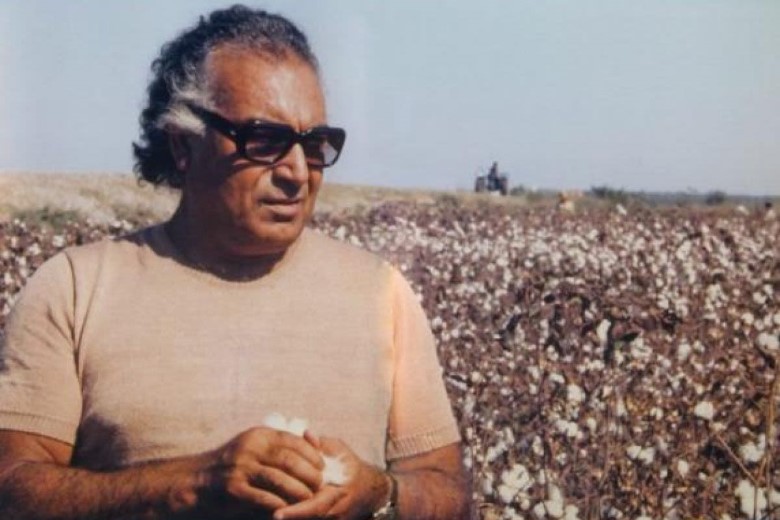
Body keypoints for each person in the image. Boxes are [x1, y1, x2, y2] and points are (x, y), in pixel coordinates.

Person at [0, 6, 470, 519]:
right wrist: (190, 484)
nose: (297, 172)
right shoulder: (74, 289)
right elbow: (12, 487)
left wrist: (382, 493)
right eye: (264, 141)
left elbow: (447, 490)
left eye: (314, 145)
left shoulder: (381, 294)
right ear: (183, 145)